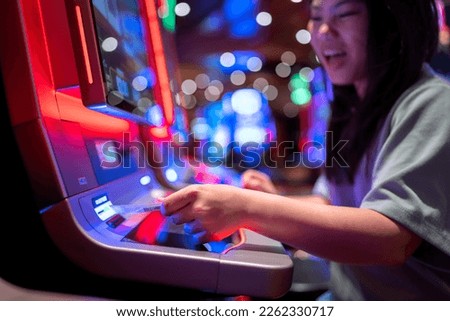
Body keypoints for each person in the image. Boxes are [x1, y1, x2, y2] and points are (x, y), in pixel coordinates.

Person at [160, 0, 450, 300]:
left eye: (344, 14)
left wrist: (248, 207)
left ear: (394, 22)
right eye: (316, 17)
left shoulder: (432, 104)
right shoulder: (354, 110)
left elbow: (391, 240)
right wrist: (274, 201)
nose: (323, 30)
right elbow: (331, 204)